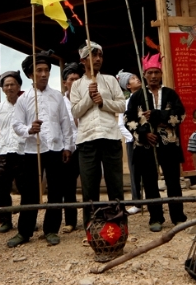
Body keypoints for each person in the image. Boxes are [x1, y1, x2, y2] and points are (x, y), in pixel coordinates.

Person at [10, 51, 73, 247]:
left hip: (55, 148)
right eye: (39, 70)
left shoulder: (57, 96)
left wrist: (68, 146)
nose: (44, 74)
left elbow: (65, 123)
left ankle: (51, 229)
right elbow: (16, 124)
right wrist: (30, 129)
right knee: (29, 192)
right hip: (32, 151)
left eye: (46, 70)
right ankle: (24, 231)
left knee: (56, 190)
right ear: (30, 74)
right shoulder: (24, 99)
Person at [125, 53, 187, 232]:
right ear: (144, 75)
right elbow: (128, 119)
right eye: (149, 72)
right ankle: (156, 217)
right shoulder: (137, 97)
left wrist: (158, 115)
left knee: (173, 181)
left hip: (168, 144)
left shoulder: (170, 94)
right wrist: (144, 134)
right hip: (146, 145)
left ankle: (178, 216)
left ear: (161, 74)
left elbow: (180, 114)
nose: (153, 76)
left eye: (156, 72)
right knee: (150, 182)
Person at [70, 41, 126, 228]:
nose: (98, 59)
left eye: (100, 55)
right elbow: (76, 112)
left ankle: (119, 224)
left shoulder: (110, 80)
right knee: (89, 186)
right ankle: (91, 226)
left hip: (110, 136)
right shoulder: (77, 85)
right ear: (83, 60)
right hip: (87, 139)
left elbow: (121, 105)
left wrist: (103, 101)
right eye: (94, 55)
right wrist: (88, 96)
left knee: (115, 184)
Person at [0, 70, 25, 234]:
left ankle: (27, 222)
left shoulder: (26, 104)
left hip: (23, 152)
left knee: (26, 189)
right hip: (3, 152)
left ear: (19, 86)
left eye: (13, 84)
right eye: (6, 85)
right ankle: (5, 221)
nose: (10, 87)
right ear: (2, 88)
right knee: (1, 190)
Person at [117, 70, 143, 215]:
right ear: (128, 85)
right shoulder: (125, 103)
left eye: (137, 77)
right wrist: (133, 137)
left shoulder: (146, 98)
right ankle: (137, 201)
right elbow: (121, 124)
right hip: (132, 140)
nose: (137, 79)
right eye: (133, 78)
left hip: (146, 138)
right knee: (134, 172)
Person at [62, 62, 84, 232]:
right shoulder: (60, 102)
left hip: (85, 146)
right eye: (71, 79)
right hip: (68, 149)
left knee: (89, 184)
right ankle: (70, 221)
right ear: (65, 82)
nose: (75, 82)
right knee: (68, 185)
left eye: (78, 79)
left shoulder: (86, 99)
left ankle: (91, 218)